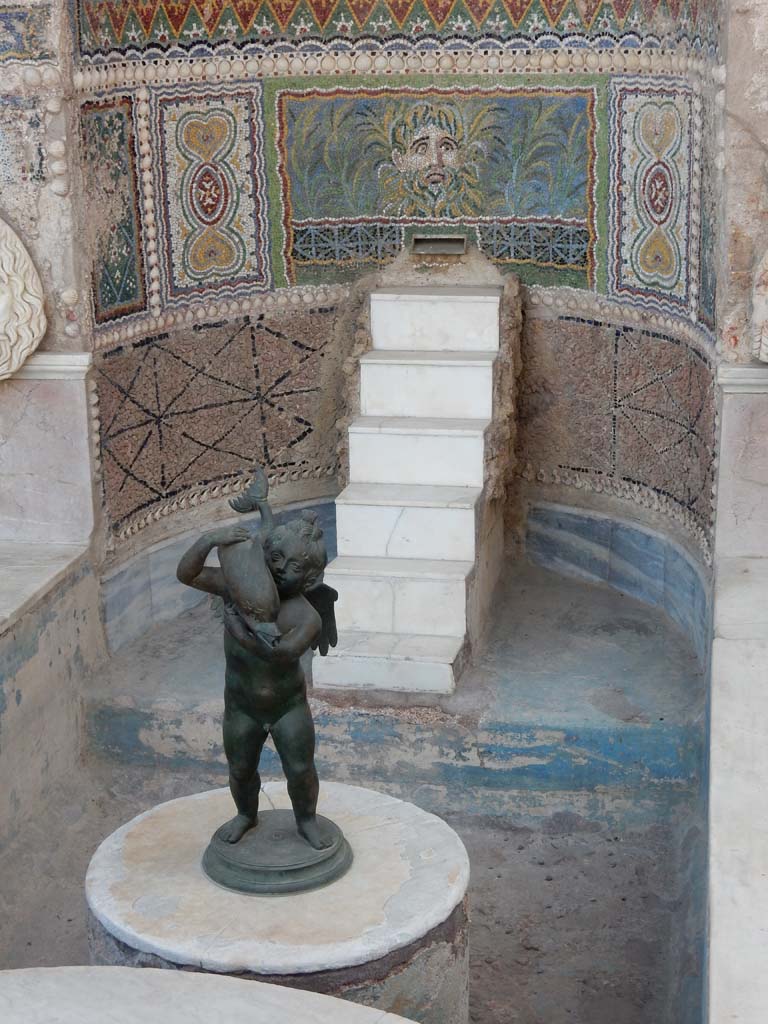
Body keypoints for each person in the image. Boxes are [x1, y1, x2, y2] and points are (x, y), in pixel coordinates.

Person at [176, 470, 337, 851]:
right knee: (240, 769)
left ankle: (307, 820)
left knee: (300, 770)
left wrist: (238, 621)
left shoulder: (306, 616)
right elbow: (187, 574)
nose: (281, 569)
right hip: (242, 705)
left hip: (287, 706)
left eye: (294, 567)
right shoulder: (239, 589)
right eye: (277, 558)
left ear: (310, 580)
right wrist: (208, 540)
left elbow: (279, 653)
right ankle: (246, 815)